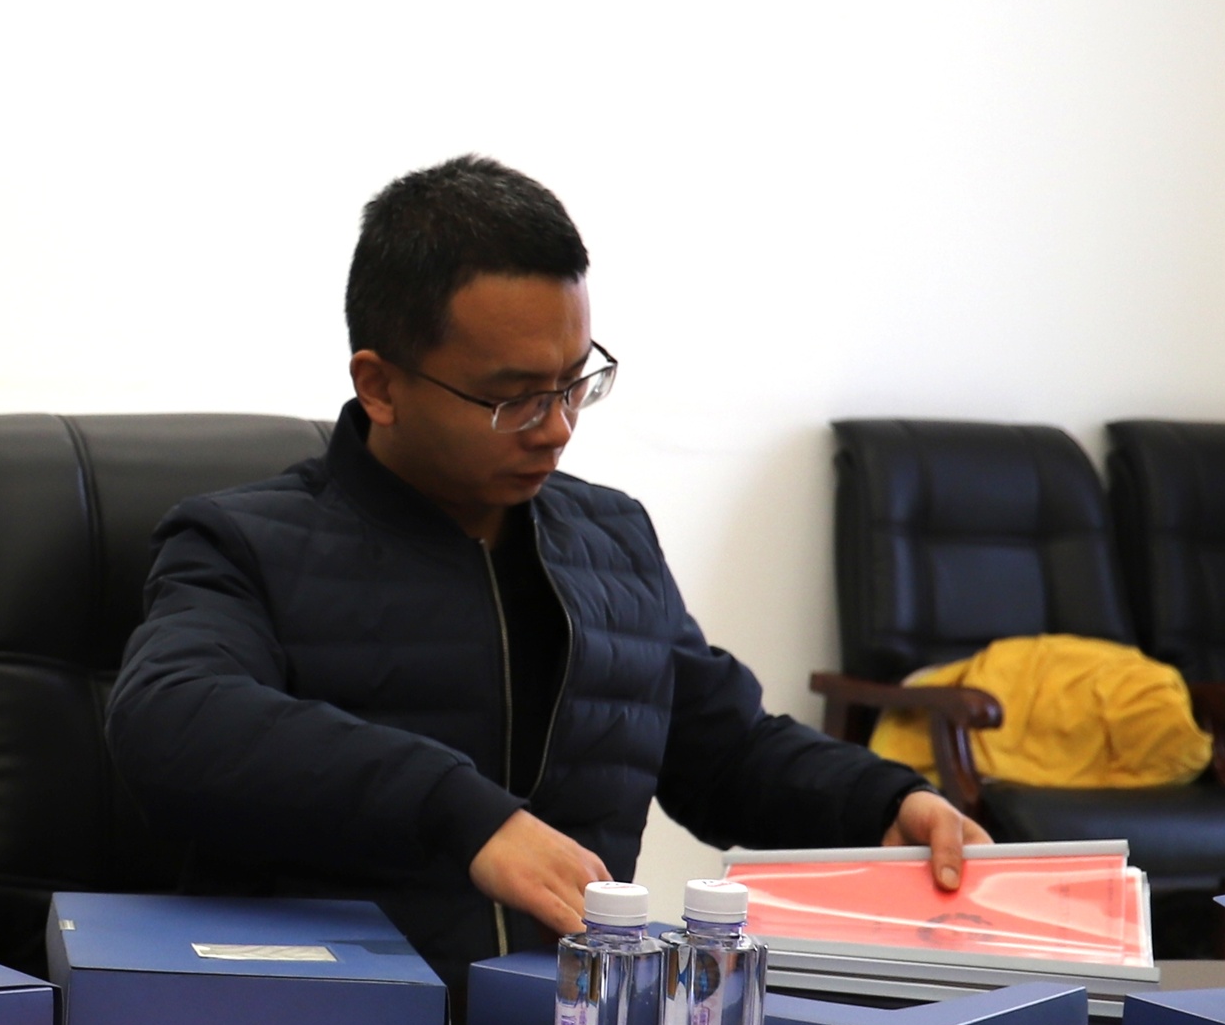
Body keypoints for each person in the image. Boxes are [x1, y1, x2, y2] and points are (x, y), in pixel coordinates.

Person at [106, 155, 980, 979]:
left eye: (573, 382)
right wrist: (464, 814)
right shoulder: (242, 542)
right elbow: (169, 716)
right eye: (513, 398)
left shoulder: (612, 538)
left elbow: (723, 750)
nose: (557, 427)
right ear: (380, 385)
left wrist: (882, 802)